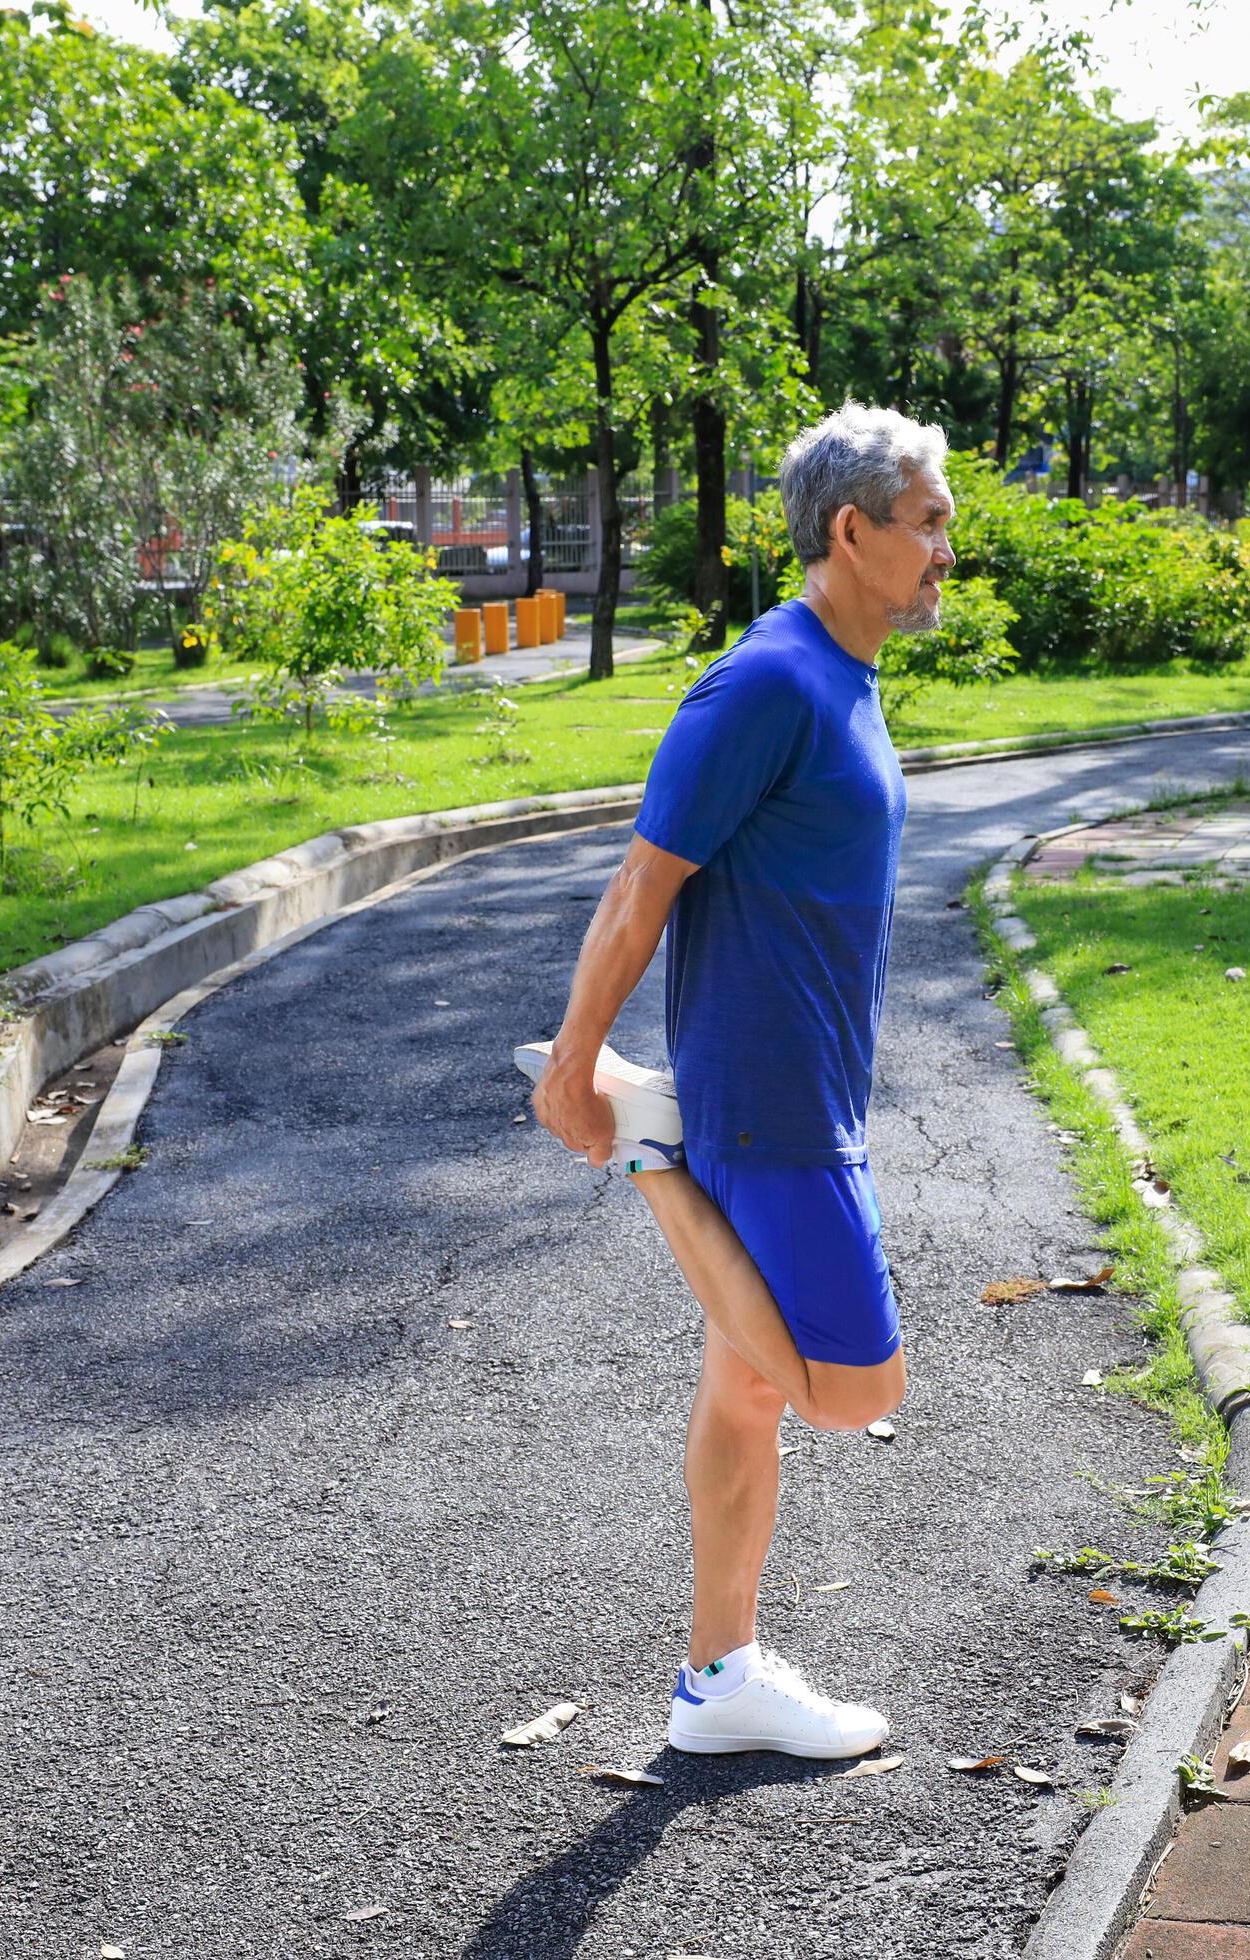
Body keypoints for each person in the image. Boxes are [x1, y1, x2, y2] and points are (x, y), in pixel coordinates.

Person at [530, 404, 955, 1759]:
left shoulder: (847, 672)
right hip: (767, 1097)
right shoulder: (768, 681)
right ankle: (658, 1154)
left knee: (746, 1391)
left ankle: (719, 1682)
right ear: (852, 531)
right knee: (855, 1391)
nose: (947, 549)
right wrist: (581, 1076)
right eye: (929, 524)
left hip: (802, 1081)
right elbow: (640, 887)